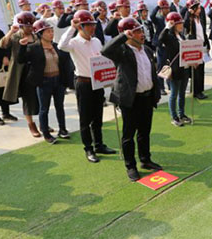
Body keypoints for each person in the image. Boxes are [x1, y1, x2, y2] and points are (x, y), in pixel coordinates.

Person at [102, 17, 162, 181]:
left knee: (144, 132)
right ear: (128, 34)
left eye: (141, 30)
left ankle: (145, 160)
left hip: (147, 98)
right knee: (128, 135)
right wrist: (123, 37)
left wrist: (156, 92)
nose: (141, 34)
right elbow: (105, 51)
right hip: (131, 100)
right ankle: (131, 166)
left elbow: (151, 74)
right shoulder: (122, 51)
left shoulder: (147, 50)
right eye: (136, 31)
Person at [59, 10, 117, 163]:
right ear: (81, 26)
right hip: (83, 83)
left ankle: (99, 144)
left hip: (98, 82)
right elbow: (61, 45)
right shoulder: (74, 42)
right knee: (85, 119)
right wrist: (72, 27)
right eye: (89, 25)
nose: (93, 28)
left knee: (98, 116)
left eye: (93, 24)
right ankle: (88, 148)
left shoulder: (96, 41)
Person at [18, 20, 71, 144]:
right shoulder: (34, 47)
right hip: (43, 82)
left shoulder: (56, 46)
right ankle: (46, 134)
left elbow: (64, 62)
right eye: (48, 32)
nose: (51, 34)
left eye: (52, 31)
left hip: (58, 80)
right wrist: (22, 47)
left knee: (60, 106)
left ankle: (62, 129)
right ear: (40, 34)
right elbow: (20, 60)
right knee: (44, 109)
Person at [0, 12, 41, 137]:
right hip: (22, 72)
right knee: (28, 99)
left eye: (31, 25)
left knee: (40, 97)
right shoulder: (16, 36)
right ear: (21, 26)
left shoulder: (36, 36)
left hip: (36, 70)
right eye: (27, 26)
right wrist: (11, 31)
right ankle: (31, 124)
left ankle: (43, 122)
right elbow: (2, 44)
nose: (30, 28)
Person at [159, 12, 191, 126]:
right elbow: (160, 38)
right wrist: (167, 27)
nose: (181, 25)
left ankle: (182, 114)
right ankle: (174, 117)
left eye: (181, 23)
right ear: (173, 25)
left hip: (184, 68)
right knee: (174, 94)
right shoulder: (169, 36)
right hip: (175, 69)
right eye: (178, 23)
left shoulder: (181, 36)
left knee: (182, 93)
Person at [184, 0, 209, 100]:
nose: (200, 10)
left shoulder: (200, 19)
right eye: (198, 8)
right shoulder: (190, 20)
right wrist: (188, 13)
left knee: (201, 69)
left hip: (202, 46)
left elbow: (203, 32)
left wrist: (207, 44)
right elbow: (185, 24)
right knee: (196, 71)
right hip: (194, 47)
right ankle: (196, 91)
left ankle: (200, 90)